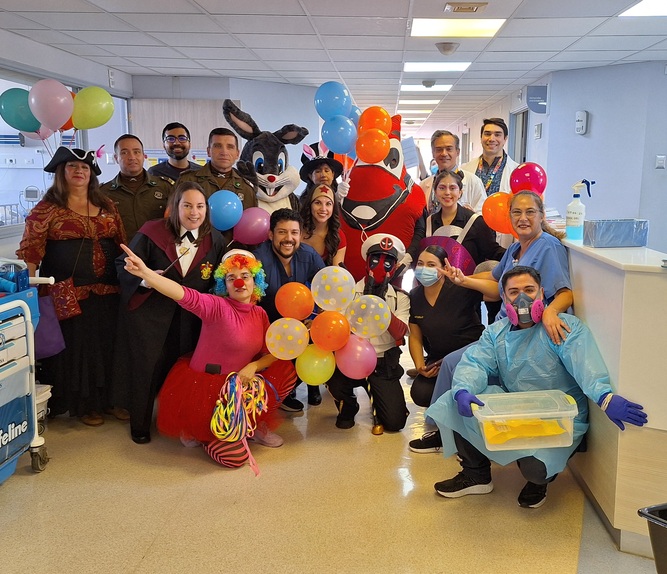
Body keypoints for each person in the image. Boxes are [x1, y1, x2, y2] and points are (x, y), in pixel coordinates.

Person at [426, 266, 647, 508]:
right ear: (504, 298)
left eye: (529, 290)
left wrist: (604, 397)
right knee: (455, 400)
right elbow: (476, 363)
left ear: (541, 293)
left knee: (535, 469)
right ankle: (475, 474)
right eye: (514, 292)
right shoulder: (496, 333)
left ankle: (538, 482)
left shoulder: (561, 326)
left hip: (558, 418)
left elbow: (585, 364)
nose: (522, 299)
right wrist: (463, 389)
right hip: (517, 409)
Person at [409, 190, 572, 454]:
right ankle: (446, 431)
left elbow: (565, 292)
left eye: (530, 212)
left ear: (542, 215)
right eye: (517, 212)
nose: (523, 218)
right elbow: (496, 283)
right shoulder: (516, 249)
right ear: (509, 217)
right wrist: (462, 279)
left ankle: (444, 432)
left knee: (452, 363)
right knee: (454, 365)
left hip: (525, 334)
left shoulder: (548, 247)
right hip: (502, 330)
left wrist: (551, 312)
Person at [120, 245, 297, 469]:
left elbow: (270, 353)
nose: (239, 282)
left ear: (255, 281)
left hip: (239, 387)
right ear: (224, 284)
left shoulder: (259, 313)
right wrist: (146, 274)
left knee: (286, 370)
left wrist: (253, 366)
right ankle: (204, 433)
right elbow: (181, 293)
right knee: (235, 458)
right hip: (207, 391)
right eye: (231, 278)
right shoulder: (216, 306)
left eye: (245, 276)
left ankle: (253, 423)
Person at [17, 147, 126, 426]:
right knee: (80, 347)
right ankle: (87, 405)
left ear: (92, 174)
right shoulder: (46, 209)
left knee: (109, 343)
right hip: (68, 292)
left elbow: (122, 243)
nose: (79, 171)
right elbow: (31, 252)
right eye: (72, 166)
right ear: (61, 172)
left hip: (108, 290)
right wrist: (29, 291)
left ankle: (111, 400)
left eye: (85, 167)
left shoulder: (108, 205)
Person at [114, 181, 226, 444]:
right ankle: (140, 424)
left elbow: (219, 279)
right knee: (147, 369)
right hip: (151, 316)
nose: (194, 212)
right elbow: (123, 265)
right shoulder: (152, 231)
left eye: (200, 206)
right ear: (175, 207)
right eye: (187, 206)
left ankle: (178, 423)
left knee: (184, 370)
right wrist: (145, 278)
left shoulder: (215, 239)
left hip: (191, 319)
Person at [326, 233, 410, 432]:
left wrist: (380, 306)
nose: (380, 266)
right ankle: (348, 404)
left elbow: (400, 333)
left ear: (395, 267)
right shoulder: (348, 292)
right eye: (375, 260)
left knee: (394, 423)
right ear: (366, 262)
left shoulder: (400, 297)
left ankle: (384, 402)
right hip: (349, 360)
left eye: (388, 262)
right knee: (334, 380)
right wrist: (364, 301)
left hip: (383, 363)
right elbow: (338, 331)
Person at [253, 208, 325, 410]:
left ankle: (311, 381)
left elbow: (326, 287)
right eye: (282, 232)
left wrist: (318, 317)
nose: (289, 238)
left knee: (324, 328)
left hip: (298, 325)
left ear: (301, 235)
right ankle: (283, 388)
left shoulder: (309, 255)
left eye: (294, 232)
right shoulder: (258, 260)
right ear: (271, 235)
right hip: (266, 328)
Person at [408, 245, 484, 410]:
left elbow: (495, 292)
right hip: (438, 360)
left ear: (444, 268)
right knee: (421, 393)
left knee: (463, 387)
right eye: (420, 263)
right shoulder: (414, 296)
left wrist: (465, 280)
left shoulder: (459, 288)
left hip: (470, 354)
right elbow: (415, 336)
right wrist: (420, 366)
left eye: (431, 265)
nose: (423, 269)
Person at [100, 134, 174, 242]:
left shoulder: (165, 187)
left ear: (144, 156)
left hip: (158, 250)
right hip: (121, 251)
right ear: (116, 158)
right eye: (124, 153)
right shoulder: (104, 193)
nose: (132, 157)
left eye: (136, 152)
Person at [461, 118, 519, 247]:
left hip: (500, 237)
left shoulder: (516, 171)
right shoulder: (465, 169)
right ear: (481, 137)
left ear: (505, 139)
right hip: (472, 235)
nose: (491, 138)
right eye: (487, 134)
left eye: (497, 134)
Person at [419, 130, 486, 214]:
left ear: (457, 152)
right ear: (433, 153)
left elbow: (483, 213)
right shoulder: (424, 185)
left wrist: (471, 215)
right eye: (439, 150)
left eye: (449, 149)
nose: (444, 153)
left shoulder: (473, 182)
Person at [299, 184, 346, 267]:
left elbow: (337, 271)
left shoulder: (338, 236)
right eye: (318, 203)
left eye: (328, 204)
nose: (323, 209)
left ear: (333, 207)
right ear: (310, 205)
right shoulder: (296, 229)